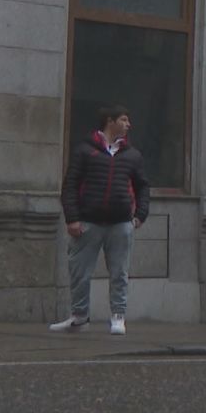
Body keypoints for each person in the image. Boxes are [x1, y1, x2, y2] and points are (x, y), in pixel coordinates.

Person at [52, 105, 150, 335]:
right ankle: (79, 317)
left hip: (120, 222)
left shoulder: (132, 155)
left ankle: (118, 316)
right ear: (110, 121)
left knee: (119, 273)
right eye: (124, 120)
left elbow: (143, 186)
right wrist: (72, 219)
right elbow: (71, 185)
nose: (128, 125)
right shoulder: (86, 150)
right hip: (88, 221)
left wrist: (140, 215)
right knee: (80, 272)